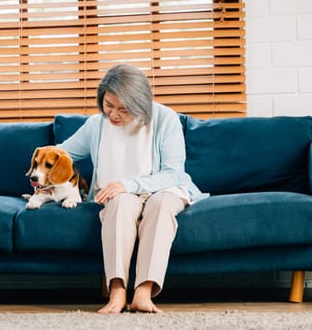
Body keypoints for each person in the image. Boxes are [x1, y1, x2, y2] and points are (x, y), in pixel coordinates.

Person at [59, 64, 206, 313]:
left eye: (123, 109)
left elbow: (174, 173)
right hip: (121, 194)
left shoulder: (165, 119)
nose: (113, 114)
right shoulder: (97, 124)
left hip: (165, 189)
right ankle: (117, 291)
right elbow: (62, 153)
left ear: (140, 105)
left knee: (160, 206)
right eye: (108, 105)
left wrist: (128, 184)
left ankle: (143, 292)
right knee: (120, 203)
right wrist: (43, 170)